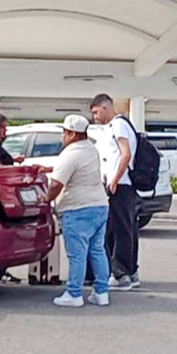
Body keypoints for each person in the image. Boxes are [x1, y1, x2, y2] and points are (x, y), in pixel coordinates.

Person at [45, 115, 111, 308]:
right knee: (97, 250)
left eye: (64, 132)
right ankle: (101, 292)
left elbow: (56, 183)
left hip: (78, 208)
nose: (62, 136)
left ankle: (74, 293)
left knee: (77, 254)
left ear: (72, 134)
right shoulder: (91, 149)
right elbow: (73, 169)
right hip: (100, 205)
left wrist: (46, 199)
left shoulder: (70, 154)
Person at [88, 93, 139, 291]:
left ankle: (121, 273)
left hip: (120, 185)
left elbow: (125, 154)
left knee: (120, 230)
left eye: (96, 111)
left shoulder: (118, 125)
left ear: (105, 107)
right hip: (118, 184)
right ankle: (130, 271)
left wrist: (115, 178)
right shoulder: (113, 127)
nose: (95, 116)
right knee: (124, 228)